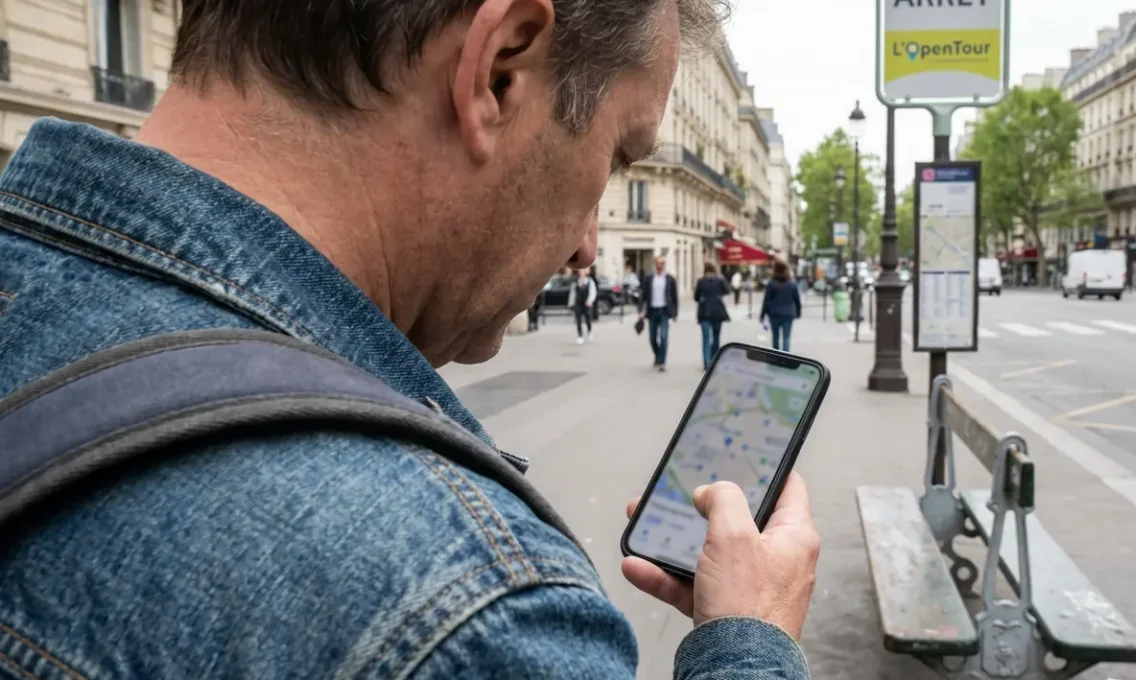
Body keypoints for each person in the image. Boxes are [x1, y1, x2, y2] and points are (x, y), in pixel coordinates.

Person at [0, 1, 822, 678]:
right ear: (500, 68)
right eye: (615, 155)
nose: (585, 244)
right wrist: (749, 638)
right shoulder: (466, 613)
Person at [639, 255, 679, 372]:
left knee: (663, 336)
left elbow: (674, 297)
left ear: (664, 265)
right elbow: (643, 295)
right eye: (658, 263)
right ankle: (657, 355)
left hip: (664, 311)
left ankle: (662, 362)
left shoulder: (670, 279)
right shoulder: (649, 278)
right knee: (652, 338)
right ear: (654, 265)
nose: (659, 266)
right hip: (652, 311)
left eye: (662, 264)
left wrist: (675, 313)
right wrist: (641, 310)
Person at [694, 261, 732, 370]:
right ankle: (714, 359)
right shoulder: (720, 280)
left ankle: (706, 362)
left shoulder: (701, 281)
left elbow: (696, 297)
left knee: (706, 338)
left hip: (704, 312)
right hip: (717, 311)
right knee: (716, 337)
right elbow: (727, 291)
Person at [761, 260, 803, 352]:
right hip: (788, 313)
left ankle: (776, 357)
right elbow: (797, 301)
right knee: (786, 338)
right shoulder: (792, 285)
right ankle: (786, 358)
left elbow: (766, 301)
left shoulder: (771, 284)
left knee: (775, 337)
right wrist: (798, 312)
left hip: (774, 313)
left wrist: (763, 315)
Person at [569, 268, 597, 344]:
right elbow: (572, 293)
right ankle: (580, 336)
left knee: (588, 318)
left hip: (586, 303)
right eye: (580, 271)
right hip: (578, 302)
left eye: (583, 271)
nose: (581, 272)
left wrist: (590, 301)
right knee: (578, 319)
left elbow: (593, 291)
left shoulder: (590, 281)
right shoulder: (575, 282)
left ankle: (589, 332)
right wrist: (571, 304)